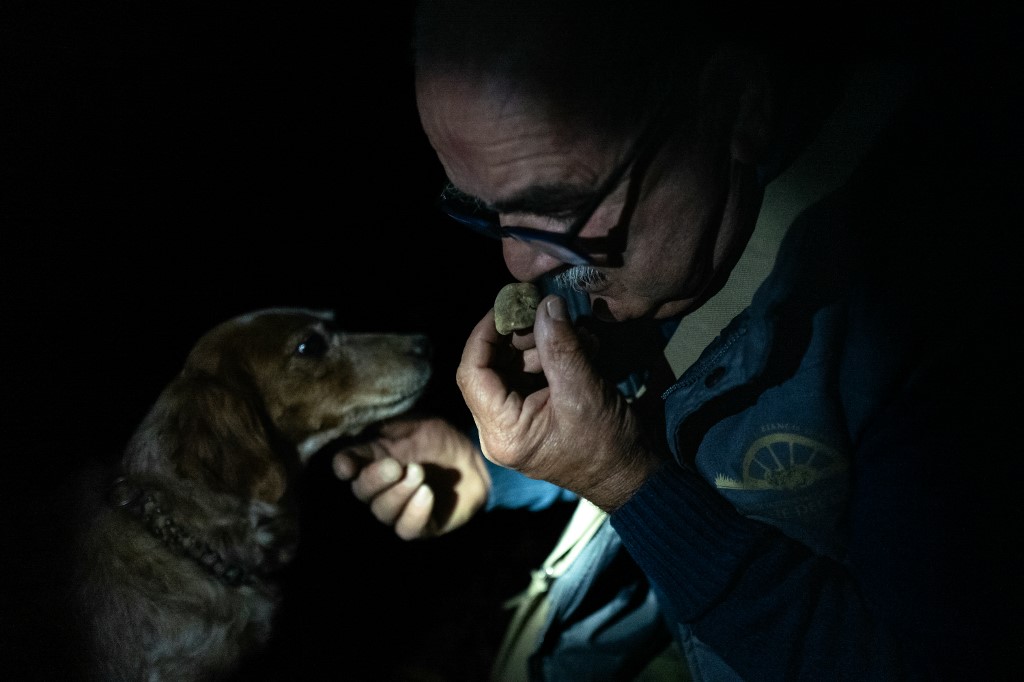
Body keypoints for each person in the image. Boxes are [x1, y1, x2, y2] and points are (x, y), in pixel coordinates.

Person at [333, 1, 1023, 679]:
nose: (520, 263)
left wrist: (625, 482)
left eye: (559, 206)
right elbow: (654, 404)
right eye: (485, 209)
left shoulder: (941, 299)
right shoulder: (635, 240)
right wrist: (493, 471)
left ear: (737, 106)